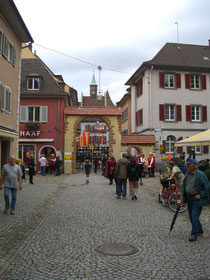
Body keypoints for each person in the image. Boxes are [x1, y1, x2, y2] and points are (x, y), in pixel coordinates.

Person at [180, 158, 209, 242]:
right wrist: (182, 195)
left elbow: (207, 187)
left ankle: (194, 234)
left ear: (193, 166)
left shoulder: (200, 175)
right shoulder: (187, 174)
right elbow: (184, 185)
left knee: (194, 215)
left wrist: (201, 195)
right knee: (191, 216)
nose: (187, 166)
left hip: (196, 199)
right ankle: (199, 230)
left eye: (188, 164)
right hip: (189, 198)